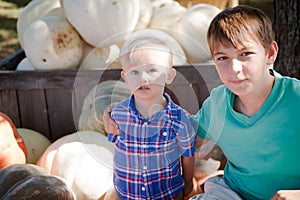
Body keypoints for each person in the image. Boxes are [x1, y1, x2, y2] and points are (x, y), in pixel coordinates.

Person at [104, 5, 300, 200]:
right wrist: (119, 114)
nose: (234, 68)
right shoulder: (218, 103)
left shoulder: (295, 98)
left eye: (245, 54)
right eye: (223, 57)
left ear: (270, 53)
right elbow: (180, 133)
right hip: (232, 194)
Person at [107, 36, 196, 200]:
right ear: (125, 77)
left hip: (167, 194)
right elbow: (117, 150)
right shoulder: (118, 115)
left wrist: (188, 182)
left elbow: (187, 155)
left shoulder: (180, 119)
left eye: (152, 70)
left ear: (169, 76)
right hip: (126, 194)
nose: (143, 78)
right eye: (134, 72)